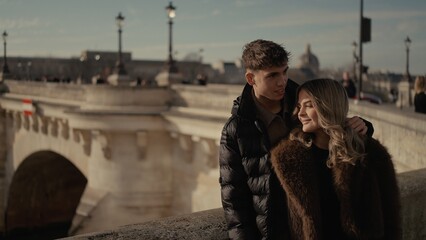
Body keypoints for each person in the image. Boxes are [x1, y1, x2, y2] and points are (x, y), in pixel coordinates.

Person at [219, 39, 374, 240]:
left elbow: (335, 124)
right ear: (251, 78)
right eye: (272, 75)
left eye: (285, 72)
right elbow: (234, 200)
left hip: (318, 225)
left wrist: (363, 126)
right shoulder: (236, 129)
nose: (282, 81)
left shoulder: (304, 101)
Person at [271, 78, 401, 239]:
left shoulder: (370, 154)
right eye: (299, 106)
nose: (300, 113)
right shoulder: (288, 158)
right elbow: (280, 222)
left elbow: (391, 217)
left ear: (328, 106)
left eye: (309, 105)